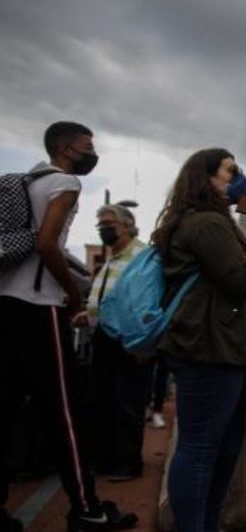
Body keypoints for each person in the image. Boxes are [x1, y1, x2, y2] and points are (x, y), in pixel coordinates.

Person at [0, 121, 138, 532]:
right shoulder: (64, 183)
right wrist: (73, 295)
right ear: (64, 148)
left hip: (5, 306)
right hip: (39, 307)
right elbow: (47, 245)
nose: (91, 153)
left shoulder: (22, 182)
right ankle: (86, 509)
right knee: (64, 411)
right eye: (86, 145)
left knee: (4, 411)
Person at [151, 148, 246, 532]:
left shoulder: (207, 222)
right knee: (202, 443)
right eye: (231, 172)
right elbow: (241, 279)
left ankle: (206, 528)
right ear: (204, 179)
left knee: (225, 443)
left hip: (221, 344)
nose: (239, 179)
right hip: (207, 347)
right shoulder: (205, 223)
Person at [75, 205, 152, 482]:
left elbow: (146, 300)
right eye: (100, 225)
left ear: (129, 226)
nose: (103, 229)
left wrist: (144, 344)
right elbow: (111, 298)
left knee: (127, 402)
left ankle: (129, 463)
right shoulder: (113, 258)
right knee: (102, 399)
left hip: (128, 338)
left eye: (108, 224)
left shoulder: (142, 256)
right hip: (104, 336)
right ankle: (107, 459)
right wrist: (91, 314)